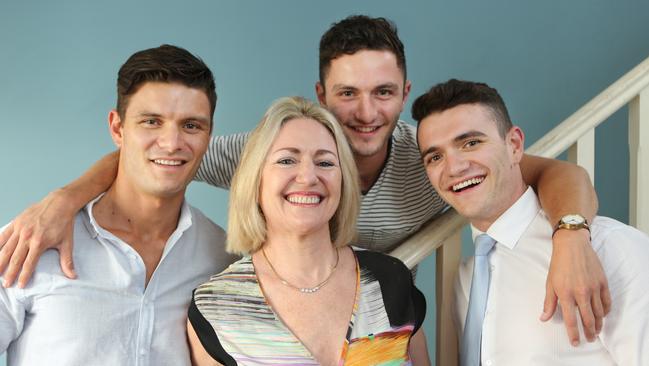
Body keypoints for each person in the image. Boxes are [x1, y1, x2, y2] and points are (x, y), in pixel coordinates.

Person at [0, 15, 608, 345]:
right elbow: (159, 155)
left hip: (376, 317)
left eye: (384, 93)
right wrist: (66, 199)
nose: (366, 113)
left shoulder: (436, 166)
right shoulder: (271, 154)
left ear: (405, 94)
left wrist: (572, 235)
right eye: (347, 93)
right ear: (322, 94)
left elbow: (554, 172)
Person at [0, 45, 237, 365]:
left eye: (191, 125)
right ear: (117, 128)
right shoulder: (31, 244)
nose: (172, 143)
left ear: (209, 136)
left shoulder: (222, 261)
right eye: (152, 122)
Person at [413, 79, 649, 365]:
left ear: (514, 145)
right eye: (435, 157)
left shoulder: (608, 248)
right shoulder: (466, 278)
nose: (455, 168)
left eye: (471, 143)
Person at [187, 96, 430, 365]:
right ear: (255, 180)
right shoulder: (216, 306)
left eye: (325, 162)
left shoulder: (390, 280)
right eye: (287, 160)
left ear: (343, 182)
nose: (308, 177)